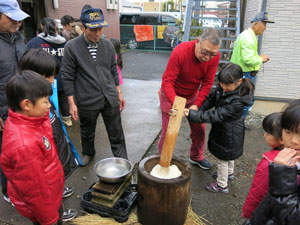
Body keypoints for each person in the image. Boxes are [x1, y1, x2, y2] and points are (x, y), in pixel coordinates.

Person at [19, 48, 81, 221]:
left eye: (53, 75)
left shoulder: (41, 94)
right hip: (45, 166)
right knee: (48, 191)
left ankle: (58, 193)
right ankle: (57, 212)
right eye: (48, 77)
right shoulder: (30, 108)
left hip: (55, 149)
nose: (52, 81)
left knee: (56, 179)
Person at [61, 7, 128, 166]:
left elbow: (113, 69)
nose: (97, 33)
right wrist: (71, 103)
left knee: (116, 131)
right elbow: (67, 75)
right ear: (83, 27)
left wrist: (119, 92)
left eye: (100, 29)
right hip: (86, 97)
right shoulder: (72, 47)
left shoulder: (107, 45)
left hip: (109, 96)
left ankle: (122, 159)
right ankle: (88, 153)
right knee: (87, 130)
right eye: (93, 29)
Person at [0, 71, 64, 225]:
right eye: (45, 102)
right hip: (44, 206)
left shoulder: (30, 119)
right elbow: (35, 191)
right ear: (27, 104)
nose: (49, 105)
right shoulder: (24, 146)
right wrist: (49, 219)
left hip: (50, 193)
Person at [184, 63, 254, 193]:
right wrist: (198, 107)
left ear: (238, 82)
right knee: (229, 156)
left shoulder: (237, 101)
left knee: (223, 159)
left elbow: (216, 115)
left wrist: (194, 115)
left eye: (226, 85)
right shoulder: (225, 88)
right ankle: (229, 174)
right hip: (227, 130)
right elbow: (211, 99)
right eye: (221, 83)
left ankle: (222, 185)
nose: (223, 87)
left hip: (230, 132)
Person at [159, 27, 221, 170]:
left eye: (212, 54)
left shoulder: (214, 57)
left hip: (192, 96)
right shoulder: (180, 51)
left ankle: (196, 156)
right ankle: (162, 161)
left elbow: (207, 83)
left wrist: (197, 104)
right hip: (171, 96)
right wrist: (176, 103)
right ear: (197, 41)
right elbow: (167, 81)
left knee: (200, 128)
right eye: (205, 52)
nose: (207, 57)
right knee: (169, 131)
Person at [244, 100, 300, 225]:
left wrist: (283, 176)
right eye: (288, 132)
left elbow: (290, 218)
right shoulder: (282, 161)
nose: (294, 141)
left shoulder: (273, 164)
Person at [0, 0, 29, 205]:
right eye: (12, 18)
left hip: (24, 105)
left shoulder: (19, 37)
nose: (17, 23)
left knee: (26, 150)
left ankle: (26, 185)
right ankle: (8, 190)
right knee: (6, 154)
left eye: (19, 18)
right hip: (3, 110)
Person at [27, 17, 73, 127]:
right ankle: (67, 120)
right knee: (63, 98)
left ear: (42, 26)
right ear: (55, 27)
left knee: (46, 102)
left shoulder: (33, 43)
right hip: (62, 78)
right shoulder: (64, 42)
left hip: (43, 81)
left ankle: (51, 122)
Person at [230, 11, 274, 118]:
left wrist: (259, 57)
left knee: (240, 99)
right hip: (244, 74)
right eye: (263, 24)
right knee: (245, 101)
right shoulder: (248, 37)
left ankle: (236, 122)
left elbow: (247, 56)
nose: (265, 27)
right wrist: (261, 59)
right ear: (255, 24)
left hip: (241, 72)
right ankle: (238, 123)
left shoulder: (248, 35)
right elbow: (248, 59)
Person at [242, 112, 283, 219]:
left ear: (283, 138)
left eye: (269, 133)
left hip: (264, 212)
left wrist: (248, 212)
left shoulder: (269, 164)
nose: (264, 135)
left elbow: (258, 191)